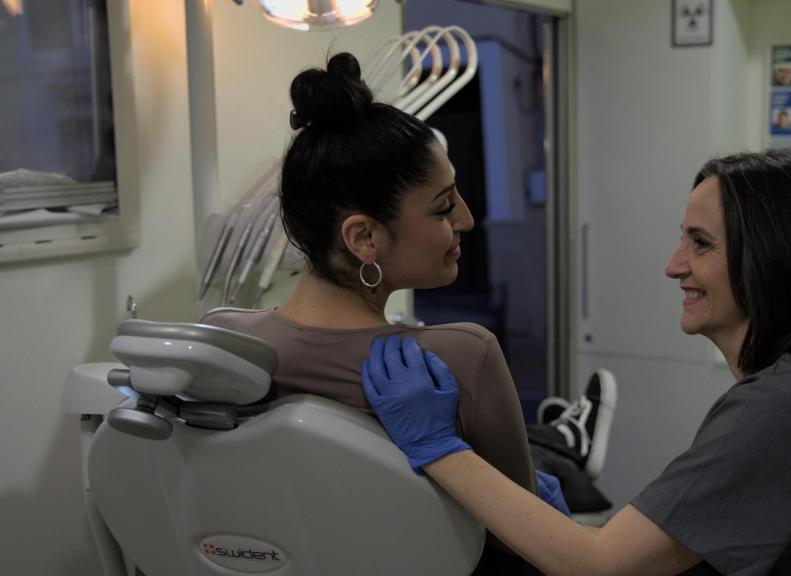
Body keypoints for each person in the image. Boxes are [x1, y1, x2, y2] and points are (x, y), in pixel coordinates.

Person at [361, 148, 791, 575]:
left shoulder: (785, 408)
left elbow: (600, 566)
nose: (673, 265)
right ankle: (561, 449)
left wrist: (439, 449)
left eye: (700, 244)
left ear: (774, 262)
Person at [201, 51, 541, 573]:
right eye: (445, 206)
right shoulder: (462, 355)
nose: (467, 220)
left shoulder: (222, 341)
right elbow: (526, 541)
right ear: (363, 236)